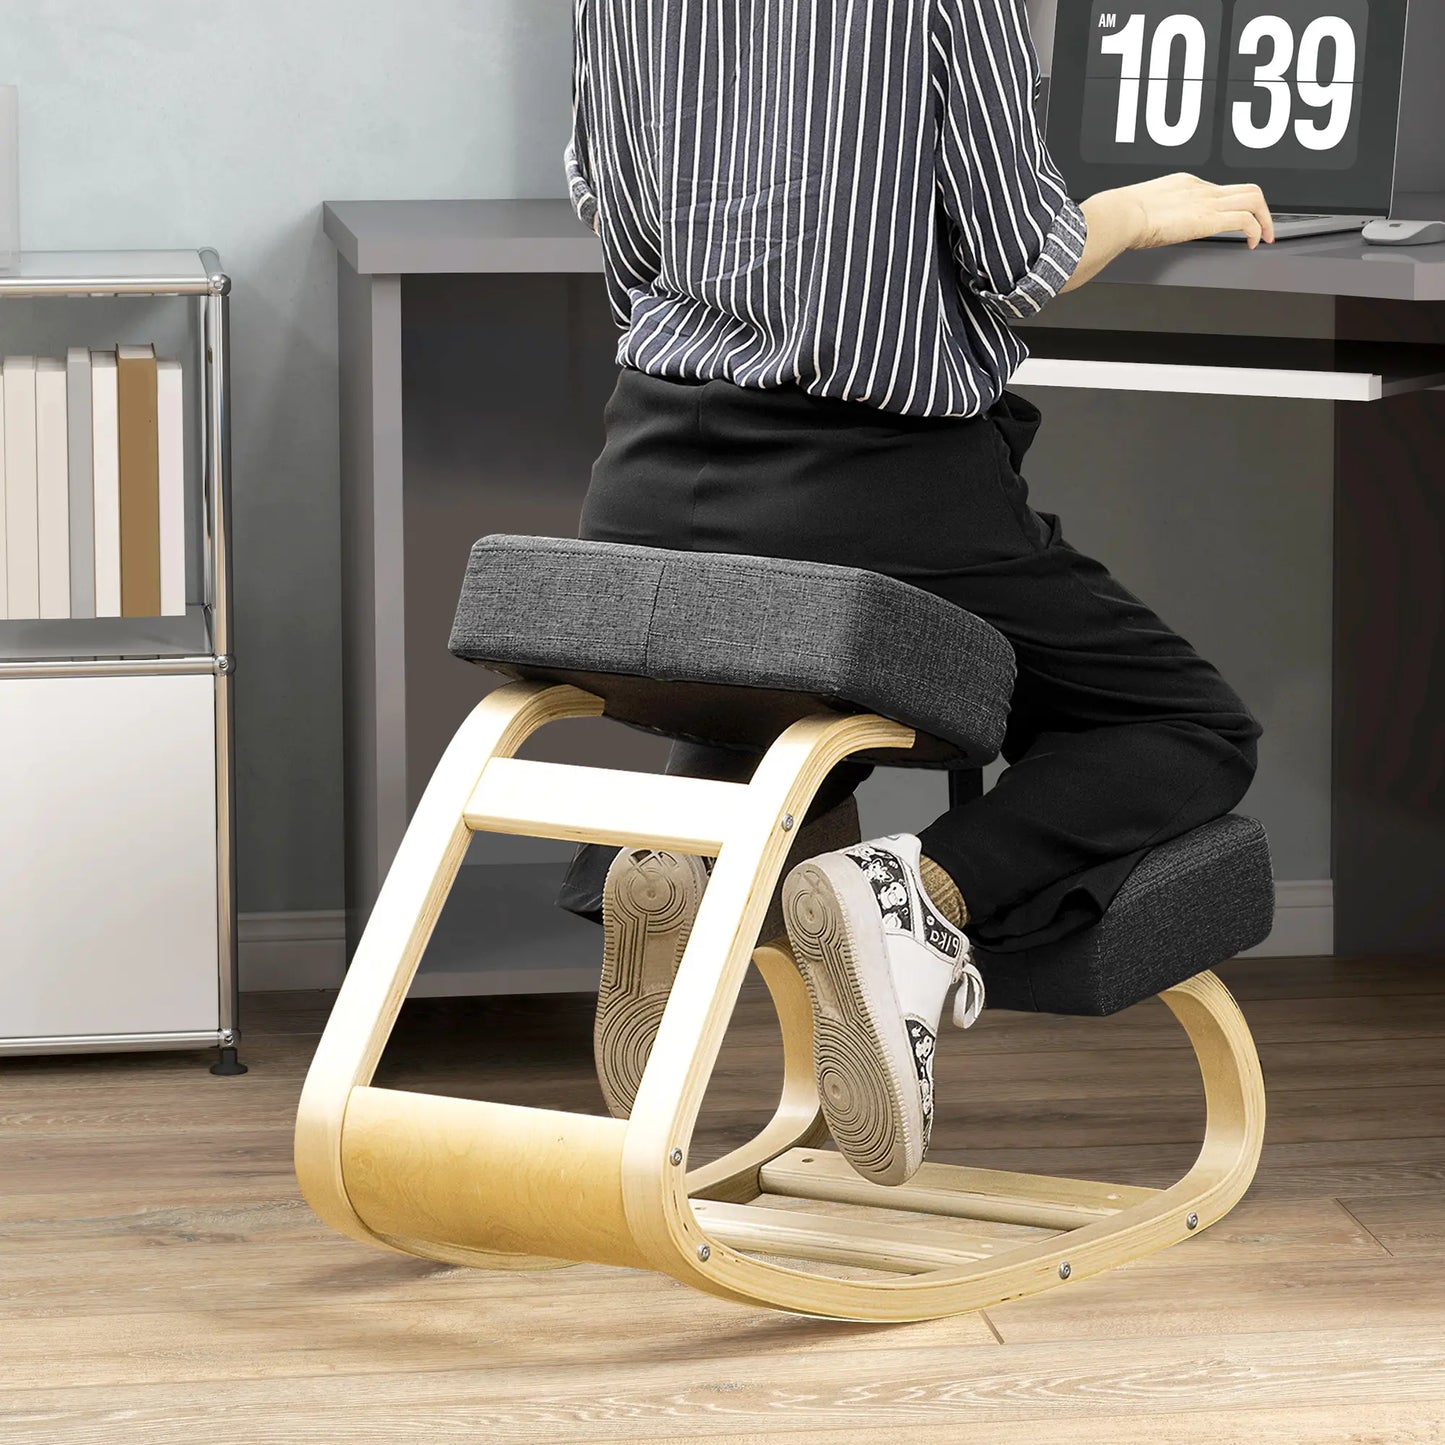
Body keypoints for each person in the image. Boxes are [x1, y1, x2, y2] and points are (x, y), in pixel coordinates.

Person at [558, 0, 1269, 1187]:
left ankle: (690, 872)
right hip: (869, 483)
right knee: (1185, 726)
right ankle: (911, 897)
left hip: (644, 474)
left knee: (783, 688)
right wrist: (1143, 208)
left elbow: (624, 239)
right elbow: (1016, 253)